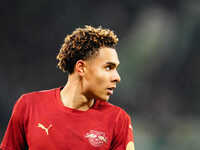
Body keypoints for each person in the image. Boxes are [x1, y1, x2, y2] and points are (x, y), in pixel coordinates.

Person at [0, 25, 135, 150]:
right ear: (81, 68)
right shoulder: (29, 106)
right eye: (108, 67)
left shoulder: (118, 120)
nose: (117, 77)